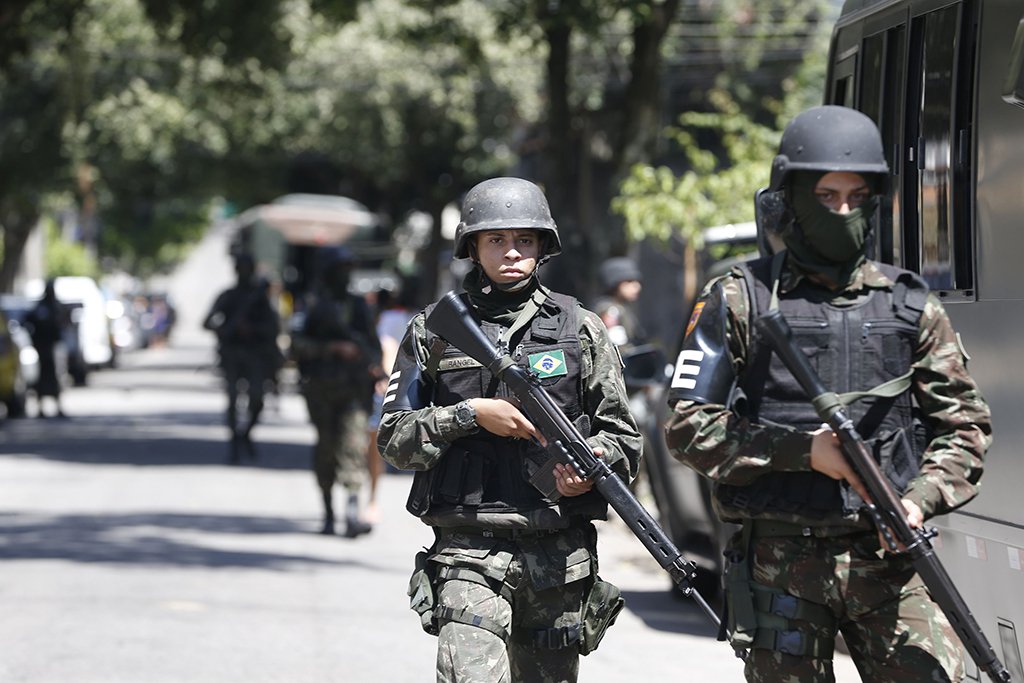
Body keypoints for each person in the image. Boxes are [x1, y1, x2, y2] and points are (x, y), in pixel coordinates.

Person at [664, 105, 992, 682]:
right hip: (779, 562)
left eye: (855, 196)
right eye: (826, 196)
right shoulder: (740, 298)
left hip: (889, 557)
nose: (842, 211)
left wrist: (916, 499)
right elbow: (687, 430)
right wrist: (801, 451)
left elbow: (964, 429)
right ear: (789, 199)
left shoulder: (910, 306)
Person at [377, 177, 642, 682]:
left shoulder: (582, 329)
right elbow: (393, 438)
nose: (511, 252)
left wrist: (589, 468)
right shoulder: (433, 329)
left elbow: (623, 439)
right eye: (496, 239)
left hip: (559, 558)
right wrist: (468, 415)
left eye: (524, 239)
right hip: (467, 554)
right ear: (473, 248)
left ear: (543, 247)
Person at [291, 246, 382, 538]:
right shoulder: (312, 305)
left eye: (348, 269)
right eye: (339, 270)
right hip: (321, 389)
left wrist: (373, 364)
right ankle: (329, 513)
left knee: (354, 447)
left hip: (354, 390)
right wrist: (331, 348)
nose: (345, 275)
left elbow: (373, 347)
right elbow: (295, 346)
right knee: (326, 449)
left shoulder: (358, 307)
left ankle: (352, 513)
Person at [203, 252, 282, 463]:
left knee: (257, 398)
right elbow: (207, 321)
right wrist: (225, 329)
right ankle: (234, 443)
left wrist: (253, 329)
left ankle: (245, 434)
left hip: (255, 355)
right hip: (232, 354)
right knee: (232, 398)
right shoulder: (228, 296)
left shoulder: (260, 299)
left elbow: (273, 326)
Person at [25, 279, 68, 418]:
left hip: (54, 347)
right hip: (43, 348)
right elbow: (28, 320)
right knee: (42, 378)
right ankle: (40, 408)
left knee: (57, 377)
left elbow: (64, 322)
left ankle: (58, 407)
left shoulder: (56, 306)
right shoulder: (41, 307)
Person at [592, 256, 647, 353]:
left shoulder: (620, 307)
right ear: (614, 285)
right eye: (629, 281)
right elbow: (618, 348)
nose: (637, 287)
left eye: (637, 281)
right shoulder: (611, 311)